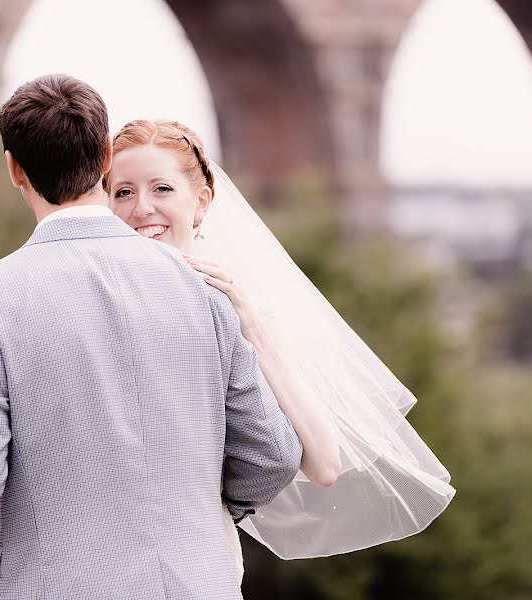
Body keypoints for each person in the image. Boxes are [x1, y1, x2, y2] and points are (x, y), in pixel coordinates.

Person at [0, 74, 302, 600]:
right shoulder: (200, 286)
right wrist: (195, 513)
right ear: (107, 158)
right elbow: (273, 456)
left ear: (14, 168)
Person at [104, 119, 456, 575]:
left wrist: (252, 328)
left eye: (162, 189)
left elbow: (324, 464)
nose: (142, 208)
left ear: (201, 202)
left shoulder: (241, 309)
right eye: (124, 192)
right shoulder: (102, 299)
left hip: (194, 561)